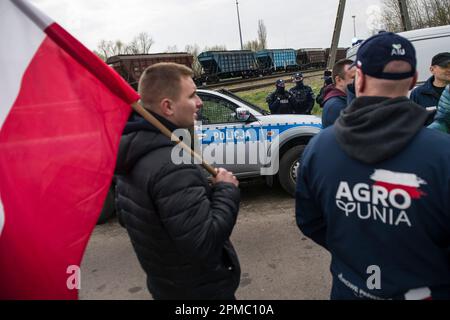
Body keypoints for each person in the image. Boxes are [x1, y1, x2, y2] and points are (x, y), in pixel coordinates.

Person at [296, 32, 450, 300]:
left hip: (349, 288)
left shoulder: (319, 148)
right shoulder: (443, 154)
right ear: (413, 80)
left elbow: (310, 221)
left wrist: (354, 251)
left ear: (360, 78)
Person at [115, 63, 241, 300]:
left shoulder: (131, 151)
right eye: (192, 95)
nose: (200, 102)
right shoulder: (174, 164)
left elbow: (132, 218)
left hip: (166, 286)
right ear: (168, 106)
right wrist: (226, 190)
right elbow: (204, 243)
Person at [321, 59, 356, 128]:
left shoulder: (342, 98)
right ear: (339, 80)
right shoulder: (336, 106)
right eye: (353, 77)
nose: (358, 80)